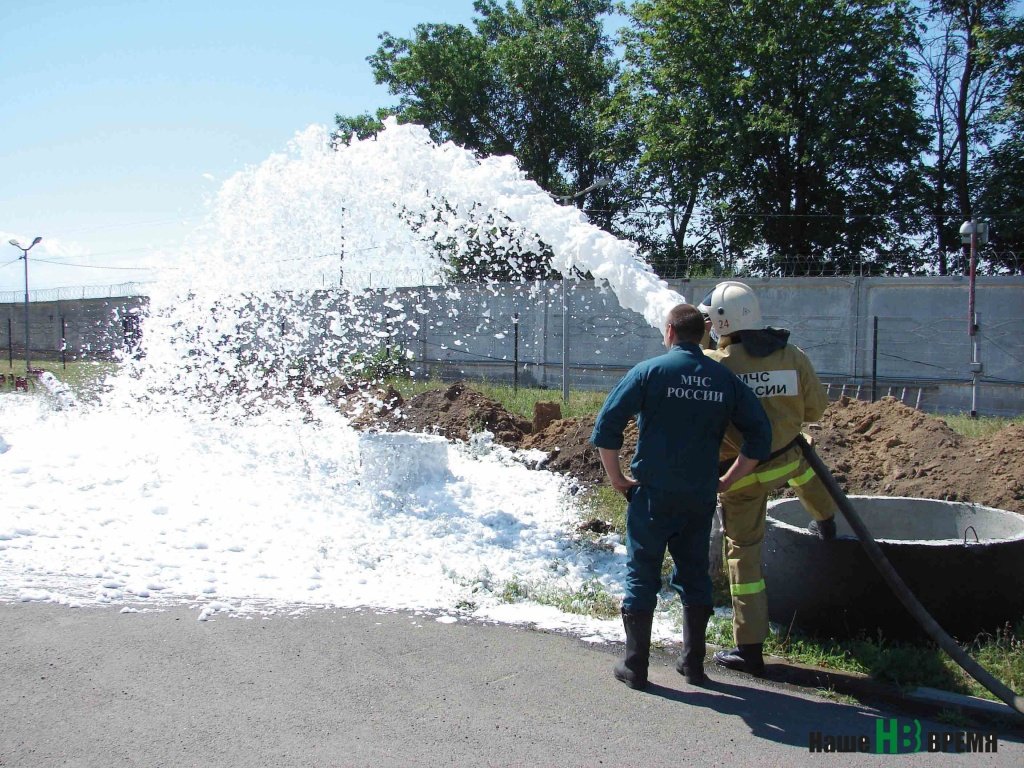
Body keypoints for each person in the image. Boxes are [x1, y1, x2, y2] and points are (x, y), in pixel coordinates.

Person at [590, 303, 772, 691]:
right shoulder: (724, 379)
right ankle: (693, 665)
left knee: (642, 574)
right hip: (699, 496)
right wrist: (727, 479)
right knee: (694, 575)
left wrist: (618, 477)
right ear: (702, 334)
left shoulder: (649, 372)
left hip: (653, 495)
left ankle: (635, 666)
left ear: (670, 332)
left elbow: (607, 428)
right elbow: (761, 437)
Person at [699, 281, 839, 676]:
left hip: (741, 475)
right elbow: (814, 410)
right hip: (791, 459)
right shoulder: (793, 355)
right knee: (808, 474)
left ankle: (750, 648)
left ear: (721, 322)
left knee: (744, 557)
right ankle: (827, 520)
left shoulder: (717, 364)